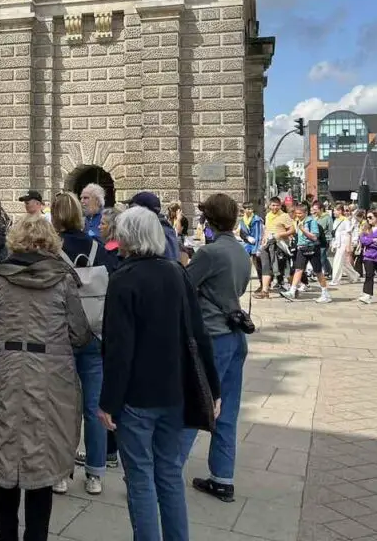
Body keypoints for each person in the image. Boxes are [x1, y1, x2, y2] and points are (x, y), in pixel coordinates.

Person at [98, 207, 220, 541]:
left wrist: (108, 401)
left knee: (139, 478)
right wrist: (213, 386)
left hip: (138, 396)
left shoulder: (123, 279)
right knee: (169, 474)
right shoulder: (176, 272)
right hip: (175, 391)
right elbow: (199, 333)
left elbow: (118, 348)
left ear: (127, 237)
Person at [0, 215, 91, 541]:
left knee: (4, 449)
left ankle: (7, 534)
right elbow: (80, 332)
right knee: (44, 455)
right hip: (51, 375)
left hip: (3, 371)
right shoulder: (64, 279)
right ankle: (36, 536)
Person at [180, 194, 249, 504]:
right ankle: (223, 477)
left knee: (197, 404)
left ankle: (169, 470)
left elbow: (183, 286)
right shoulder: (241, 251)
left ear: (208, 219)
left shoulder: (209, 253)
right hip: (236, 337)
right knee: (228, 410)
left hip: (213, 338)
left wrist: (184, 264)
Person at [52, 192, 114, 496]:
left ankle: (61, 473)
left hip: (60, 335)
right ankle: (95, 474)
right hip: (95, 332)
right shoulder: (98, 247)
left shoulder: (51, 250)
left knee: (62, 405)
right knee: (94, 407)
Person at [284, 204, 329, 302]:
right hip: (301, 248)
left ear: (305, 213)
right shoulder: (298, 221)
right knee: (298, 269)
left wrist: (302, 229)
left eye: (300, 213)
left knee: (318, 272)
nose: (298, 215)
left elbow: (314, 237)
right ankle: (292, 291)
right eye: (296, 213)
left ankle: (325, 294)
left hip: (312, 248)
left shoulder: (311, 222)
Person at [256, 198, 293, 299]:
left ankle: (294, 288)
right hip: (267, 245)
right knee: (265, 266)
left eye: (277, 205)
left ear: (280, 206)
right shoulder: (268, 215)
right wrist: (264, 238)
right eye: (273, 205)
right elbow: (266, 229)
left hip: (279, 246)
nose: (275, 207)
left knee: (284, 268)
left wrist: (280, 234)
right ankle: (265, 291)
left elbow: (292, 230)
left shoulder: (284, 216)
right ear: (269, 206)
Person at [128, 192, 180, 261]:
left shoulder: (152, 231)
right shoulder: (166, 227)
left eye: (131, 208)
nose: (128, 212)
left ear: (142, 211)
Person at [238, 203, 264, 288]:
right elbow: (242, 233)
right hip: (246, 244)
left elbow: (259, 234)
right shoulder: (242, 220)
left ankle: (262, 284)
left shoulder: (257, 219)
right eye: (247, 209)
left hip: (256, 244)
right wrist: (247, 237)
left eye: (251, 209)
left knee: (258, 265)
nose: (249, 210)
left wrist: (258, 247)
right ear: (244, 210)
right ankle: (241, 283)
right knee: (243, 264)